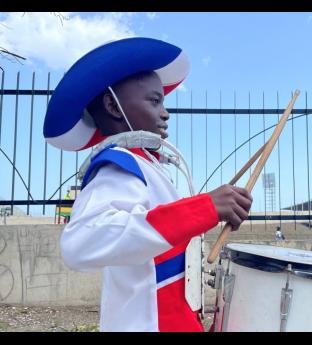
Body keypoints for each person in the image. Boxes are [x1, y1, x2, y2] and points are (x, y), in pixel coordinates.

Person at [43, 38, 252, 332]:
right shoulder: (119, 165)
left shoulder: (148, 165)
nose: (165, 113)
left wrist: (214, 212)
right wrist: (205, 207)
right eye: (155, 101)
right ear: (113, 106)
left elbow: (157, 242)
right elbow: (80, 244)